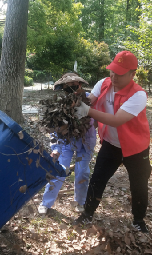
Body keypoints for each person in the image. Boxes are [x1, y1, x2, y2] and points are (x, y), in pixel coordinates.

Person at [73, 51, 152, 233]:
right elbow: (89, 101)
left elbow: (116, 120)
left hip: (135, 148)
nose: (114, 76)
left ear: (132, 74)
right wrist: (77, 99)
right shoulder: (104, 84)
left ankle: (138, 221)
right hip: (111, 144)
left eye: (120, 73)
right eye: (113, 71)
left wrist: (87, 111)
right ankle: (87, 214)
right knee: (97, 179)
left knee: (139, 185)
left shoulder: (138, 95)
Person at [38, 73, 97, 215]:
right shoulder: (59, 104)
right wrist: (56, 148)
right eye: (68, 87)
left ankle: (80, 202)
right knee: (59, 169)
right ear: (63, 89)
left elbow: (97, 120)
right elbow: (54, 128)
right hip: (66, 142)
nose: (72, 89)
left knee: (82, 171)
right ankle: (46, 203)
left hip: (86, 142)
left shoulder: (90, 99)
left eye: (74, 85)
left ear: (80, 85)